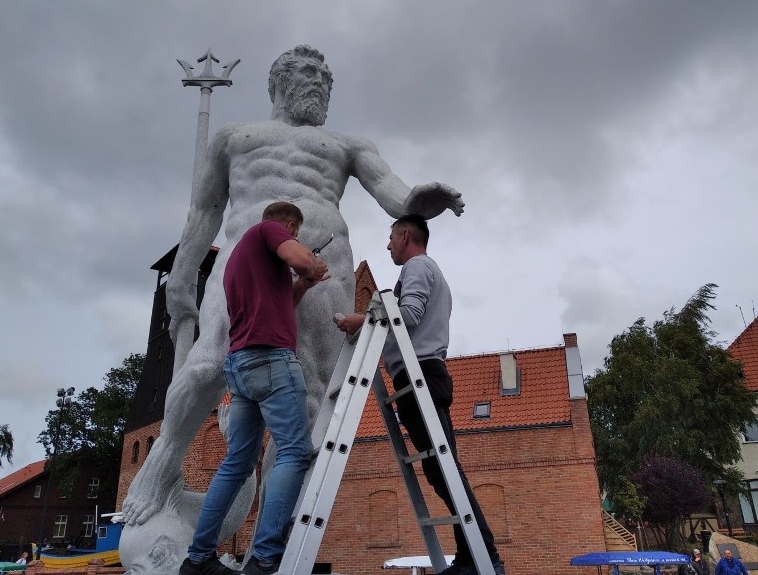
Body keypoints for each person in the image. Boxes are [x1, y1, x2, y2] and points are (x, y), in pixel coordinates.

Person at [121, 45, 464, 569]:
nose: (319, 83)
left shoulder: (348, 144)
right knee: (205, 367)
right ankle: (165, 462)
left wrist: (423, 198)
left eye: (326, 78)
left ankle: (272, 552)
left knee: (303, 413)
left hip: (326, 266)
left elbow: (397, 196)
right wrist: (182, 282)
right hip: (245, 259)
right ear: (277, 82)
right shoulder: (235, 138)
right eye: (307, 74)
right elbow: (203, 213)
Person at [336, 216, 504, 575]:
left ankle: (483, 554)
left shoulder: (417, 266)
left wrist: (360, 322)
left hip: (420, 376)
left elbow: (408, 314)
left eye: (391, 237)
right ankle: (471, 555)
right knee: (440, 471)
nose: (388, 245)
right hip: (420, 377)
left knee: (445, 471)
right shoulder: (425, 270)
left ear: (405, 235)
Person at [180, 202, 328, 575]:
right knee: (294, 453)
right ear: (290, 227)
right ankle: (264, 559)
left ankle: (197, 559)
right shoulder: (267, 231)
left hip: (242, 365)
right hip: (271, 361)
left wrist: (304, 284)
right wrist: (312, 264)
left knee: (238, 463)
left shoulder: (240, 261)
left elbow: (282, 303)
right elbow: (301, 259)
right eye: (293, 234)